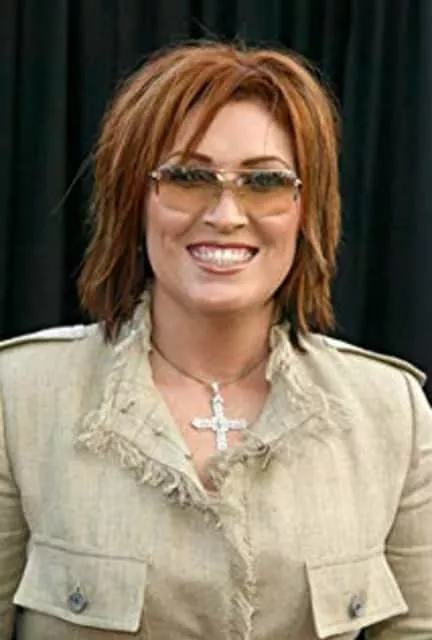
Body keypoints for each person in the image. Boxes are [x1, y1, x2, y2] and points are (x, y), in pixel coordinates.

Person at [0, 40, 431, 640]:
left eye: (265, 182)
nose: (226, 214)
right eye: (187, 177)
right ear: (134, 199)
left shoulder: (390, 412)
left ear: (306, 209)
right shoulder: (20, 399)